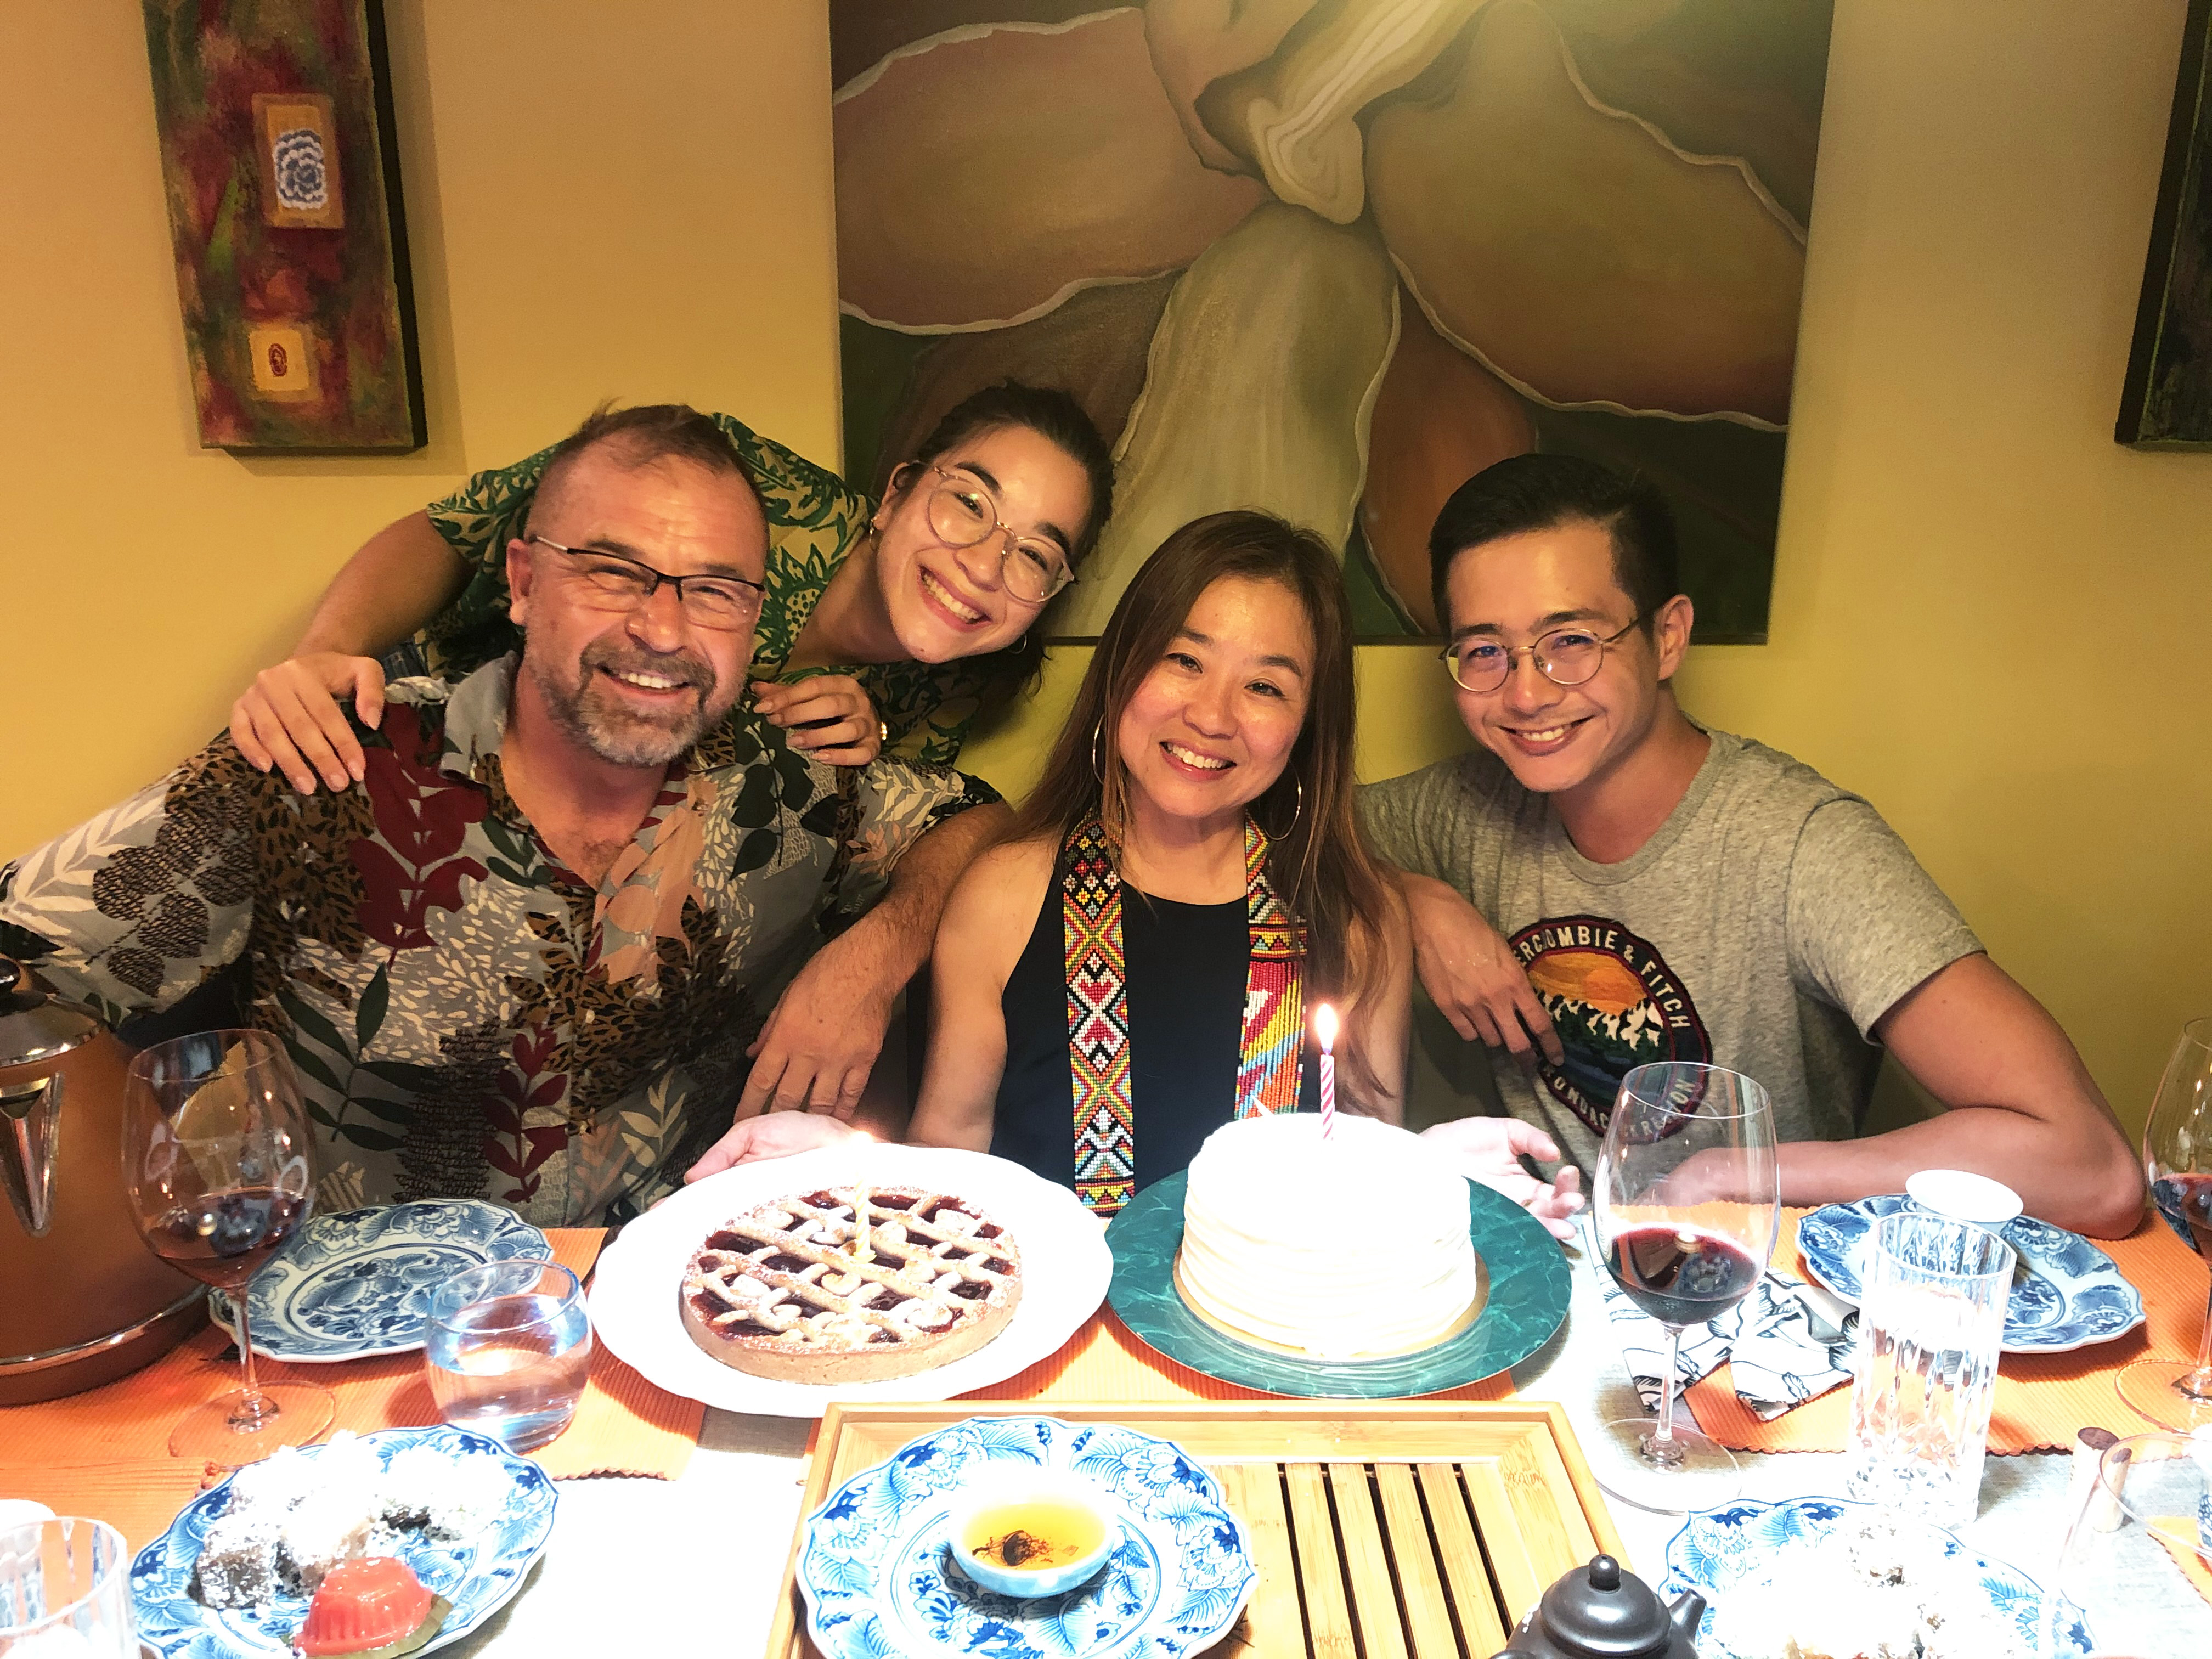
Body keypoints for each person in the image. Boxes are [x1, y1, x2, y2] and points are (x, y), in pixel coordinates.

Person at [0, 405, 1005, 1226]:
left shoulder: (789, 788)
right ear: (523, 583)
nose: (662, 631)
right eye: (613, 572)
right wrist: (108, 1248)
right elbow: (20, 964)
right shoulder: (328, 764)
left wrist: (873, 958)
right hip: (346, 1356)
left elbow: (981, 821)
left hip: (670, 1317)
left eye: (714, 593)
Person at [689, 511, 1585, 1237]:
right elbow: (950, 1162)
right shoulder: (1006, 894)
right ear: (1123, 668)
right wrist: (851, 1168)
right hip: (1047, 1349)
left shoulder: (1356, 921)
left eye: (1267, 687)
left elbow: (1362, 1176)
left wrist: (1439, 1183)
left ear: (1311, 725)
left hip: (1266, 1346)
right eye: (1183, 660)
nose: (1212, 716)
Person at [1359, 453, 2143, 1237]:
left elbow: (2092, 1166)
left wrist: (1737, 1173)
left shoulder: (1803, 846)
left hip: (1753, 1292)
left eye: (1571, 640)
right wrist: (1411, 898)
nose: (1526, 692)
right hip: (1544, 1274)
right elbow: (1268, 823)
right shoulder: (1463, 808)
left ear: (1668, 638)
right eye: (1485, 651)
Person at [228, 383, 1115, 790]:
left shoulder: (962, 683)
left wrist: (873, 739)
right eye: (967, 504)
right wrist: (323, 658)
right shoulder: (740, 484)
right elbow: (447, 533)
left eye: (1035, 554)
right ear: (895, 495)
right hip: (412, 726)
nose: (984, 566)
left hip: (583, 833)